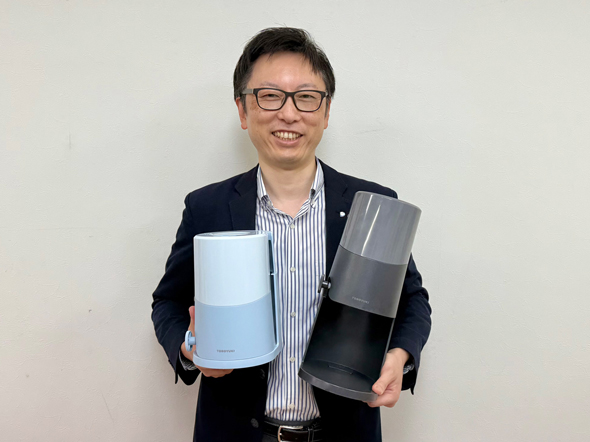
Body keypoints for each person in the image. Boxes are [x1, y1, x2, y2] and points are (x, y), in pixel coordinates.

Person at [151, 27, 431, 442]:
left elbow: (411, 301)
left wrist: (399, 356)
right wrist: (192, 348)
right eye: (269, 96)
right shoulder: (206, 207)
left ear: (326, 111)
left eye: (306, 97)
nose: (288, 113)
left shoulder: (373, 207)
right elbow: (168, 303)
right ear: (243, 110)